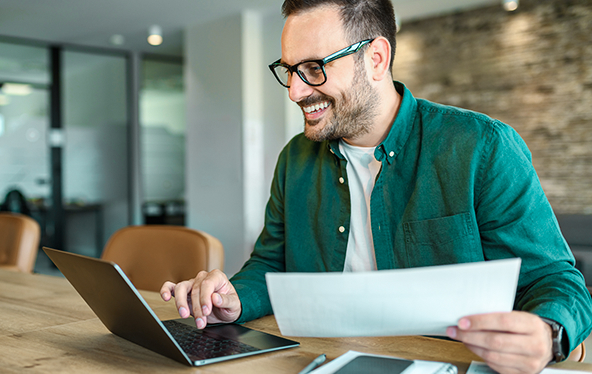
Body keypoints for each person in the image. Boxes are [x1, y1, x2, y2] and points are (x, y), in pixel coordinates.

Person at [161, 1, 592, 373]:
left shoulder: (481, 146)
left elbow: (555, 278)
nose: (294, 90)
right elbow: (272, 263)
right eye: (290, 70)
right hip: (318, 361)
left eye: (313, 68)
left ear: (376, 59)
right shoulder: (295, 160)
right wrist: (234, 297)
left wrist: (548, 333)